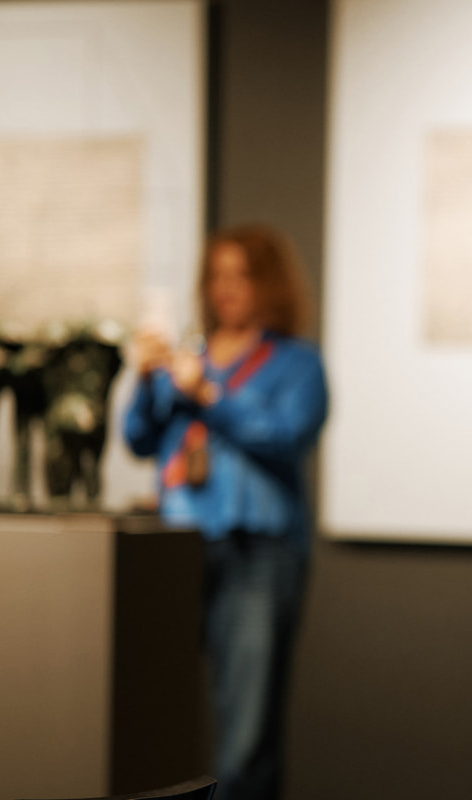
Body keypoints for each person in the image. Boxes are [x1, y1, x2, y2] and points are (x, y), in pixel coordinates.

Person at [123, 224, 328, 800]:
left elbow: (287, 434)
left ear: (269, 284)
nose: (226, 288)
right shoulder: (187, 357)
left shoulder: (297, 364)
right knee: (153, 714)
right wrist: (146, 379)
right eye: (217, 275)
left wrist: (208, 396)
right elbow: (138, 438)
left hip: (256, 552)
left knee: (247, 733)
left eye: (241, 275)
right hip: (176, 548)